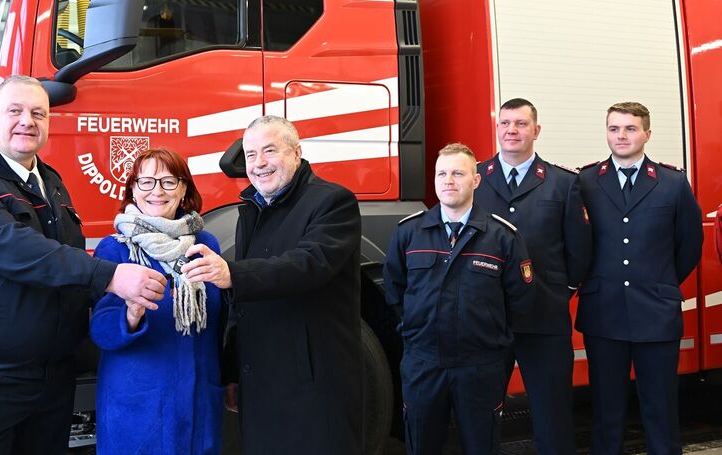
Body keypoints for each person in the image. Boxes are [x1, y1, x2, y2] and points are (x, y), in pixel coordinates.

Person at [0, 75, 166, 454]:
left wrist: (119, 316)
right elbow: (15, 248)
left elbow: (63, 263)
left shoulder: (49, 180)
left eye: (38, 113)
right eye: (15, 111)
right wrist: (110, 276)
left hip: (49, 378)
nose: (28, 121)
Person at [182, 115, 364, 454]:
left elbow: (309, 264)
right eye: (251, 154)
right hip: (260, 386)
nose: (259, 163)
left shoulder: (333, 202)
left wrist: (232, 274)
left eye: (270, 150)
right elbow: (242, 307)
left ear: (296, 153)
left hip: (312, 388)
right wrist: (233, 371)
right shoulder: (251, 210)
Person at [384, 142, 536, 455]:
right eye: (442, 174)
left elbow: (520, 300)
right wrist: (417, 329)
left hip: (480, 366)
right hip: (423, 364)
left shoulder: (501, 236)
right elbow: (395, 290)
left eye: (458, 173)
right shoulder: (409, 233)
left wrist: (489, 336)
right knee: (421, 445)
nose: (448, 181)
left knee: (481, 446)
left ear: (476, 180)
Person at [577, 101, 703, 455]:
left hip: (656, 312)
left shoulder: (673, 183)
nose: (621, 136)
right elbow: (576, 242)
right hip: (603, 313)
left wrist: (660, 281)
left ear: (647, 134)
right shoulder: (585, 181)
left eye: (630, 129)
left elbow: (689, 244)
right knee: (606, 413)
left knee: (661, 412)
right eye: (614, 128)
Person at [473, 98, 591, 455]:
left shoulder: (563, 183)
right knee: (480, 412)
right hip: (487, 317)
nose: (512, 130)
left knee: (552, 411)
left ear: (536, 131)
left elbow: (579, 248)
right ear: (497, 128)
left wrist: (561, 290)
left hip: (544, 315)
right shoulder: (473, 178)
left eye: (521, 124)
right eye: (505, 123)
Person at [89, 147, 224, 455]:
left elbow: (221, 322)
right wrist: (131, 314)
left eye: (168, 181)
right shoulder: (115, 248)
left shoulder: (206, 245)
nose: (157, 191)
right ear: (133, 190)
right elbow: (101, 330)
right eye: (146, 182)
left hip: (199, 405)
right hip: (140, 409)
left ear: (184, 189)